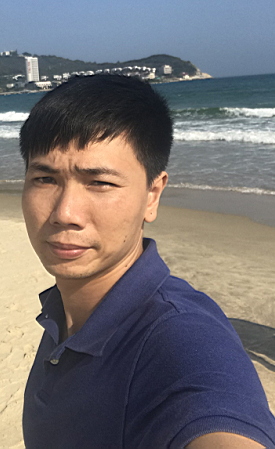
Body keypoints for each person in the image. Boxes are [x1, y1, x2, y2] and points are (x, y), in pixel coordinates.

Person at [19, 75, 275, 448]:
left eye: (100, 183)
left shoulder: (179, 337)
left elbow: (215, 411)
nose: (65, 213)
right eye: (45, 178)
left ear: (152, 195)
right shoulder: (66, 310)